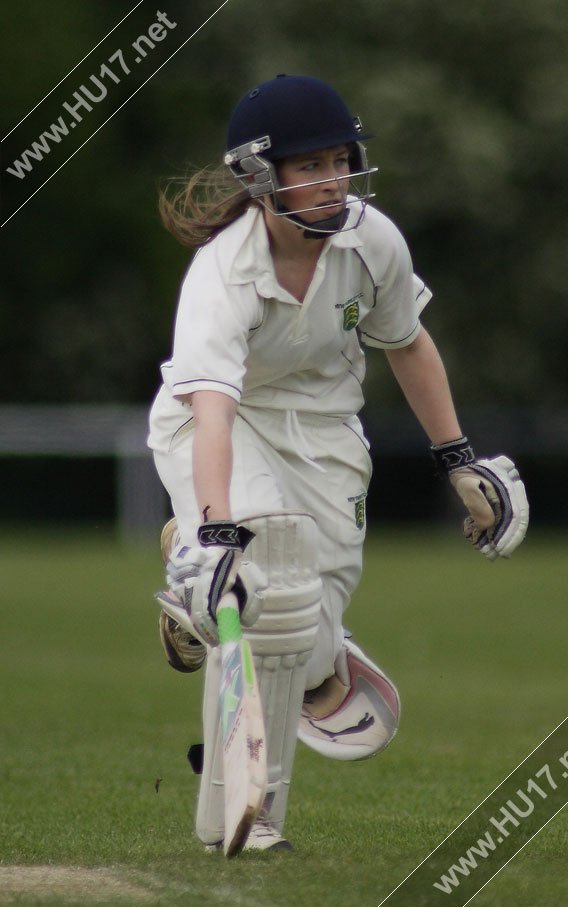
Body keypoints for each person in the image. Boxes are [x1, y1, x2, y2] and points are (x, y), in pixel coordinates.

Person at [147, 74, 529, 853]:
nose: (333, 181)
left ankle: (188, 584)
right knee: (265, 595)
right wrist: (219, 527)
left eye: (339, 160)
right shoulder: (222, 272)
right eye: (309, 165)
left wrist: (457, 460)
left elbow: (408, 343)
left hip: (324, 434)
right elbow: (212, 407)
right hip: (218, 425)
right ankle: (244, 823)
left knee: (315, 654)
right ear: (261, 177)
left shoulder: (371, 239)